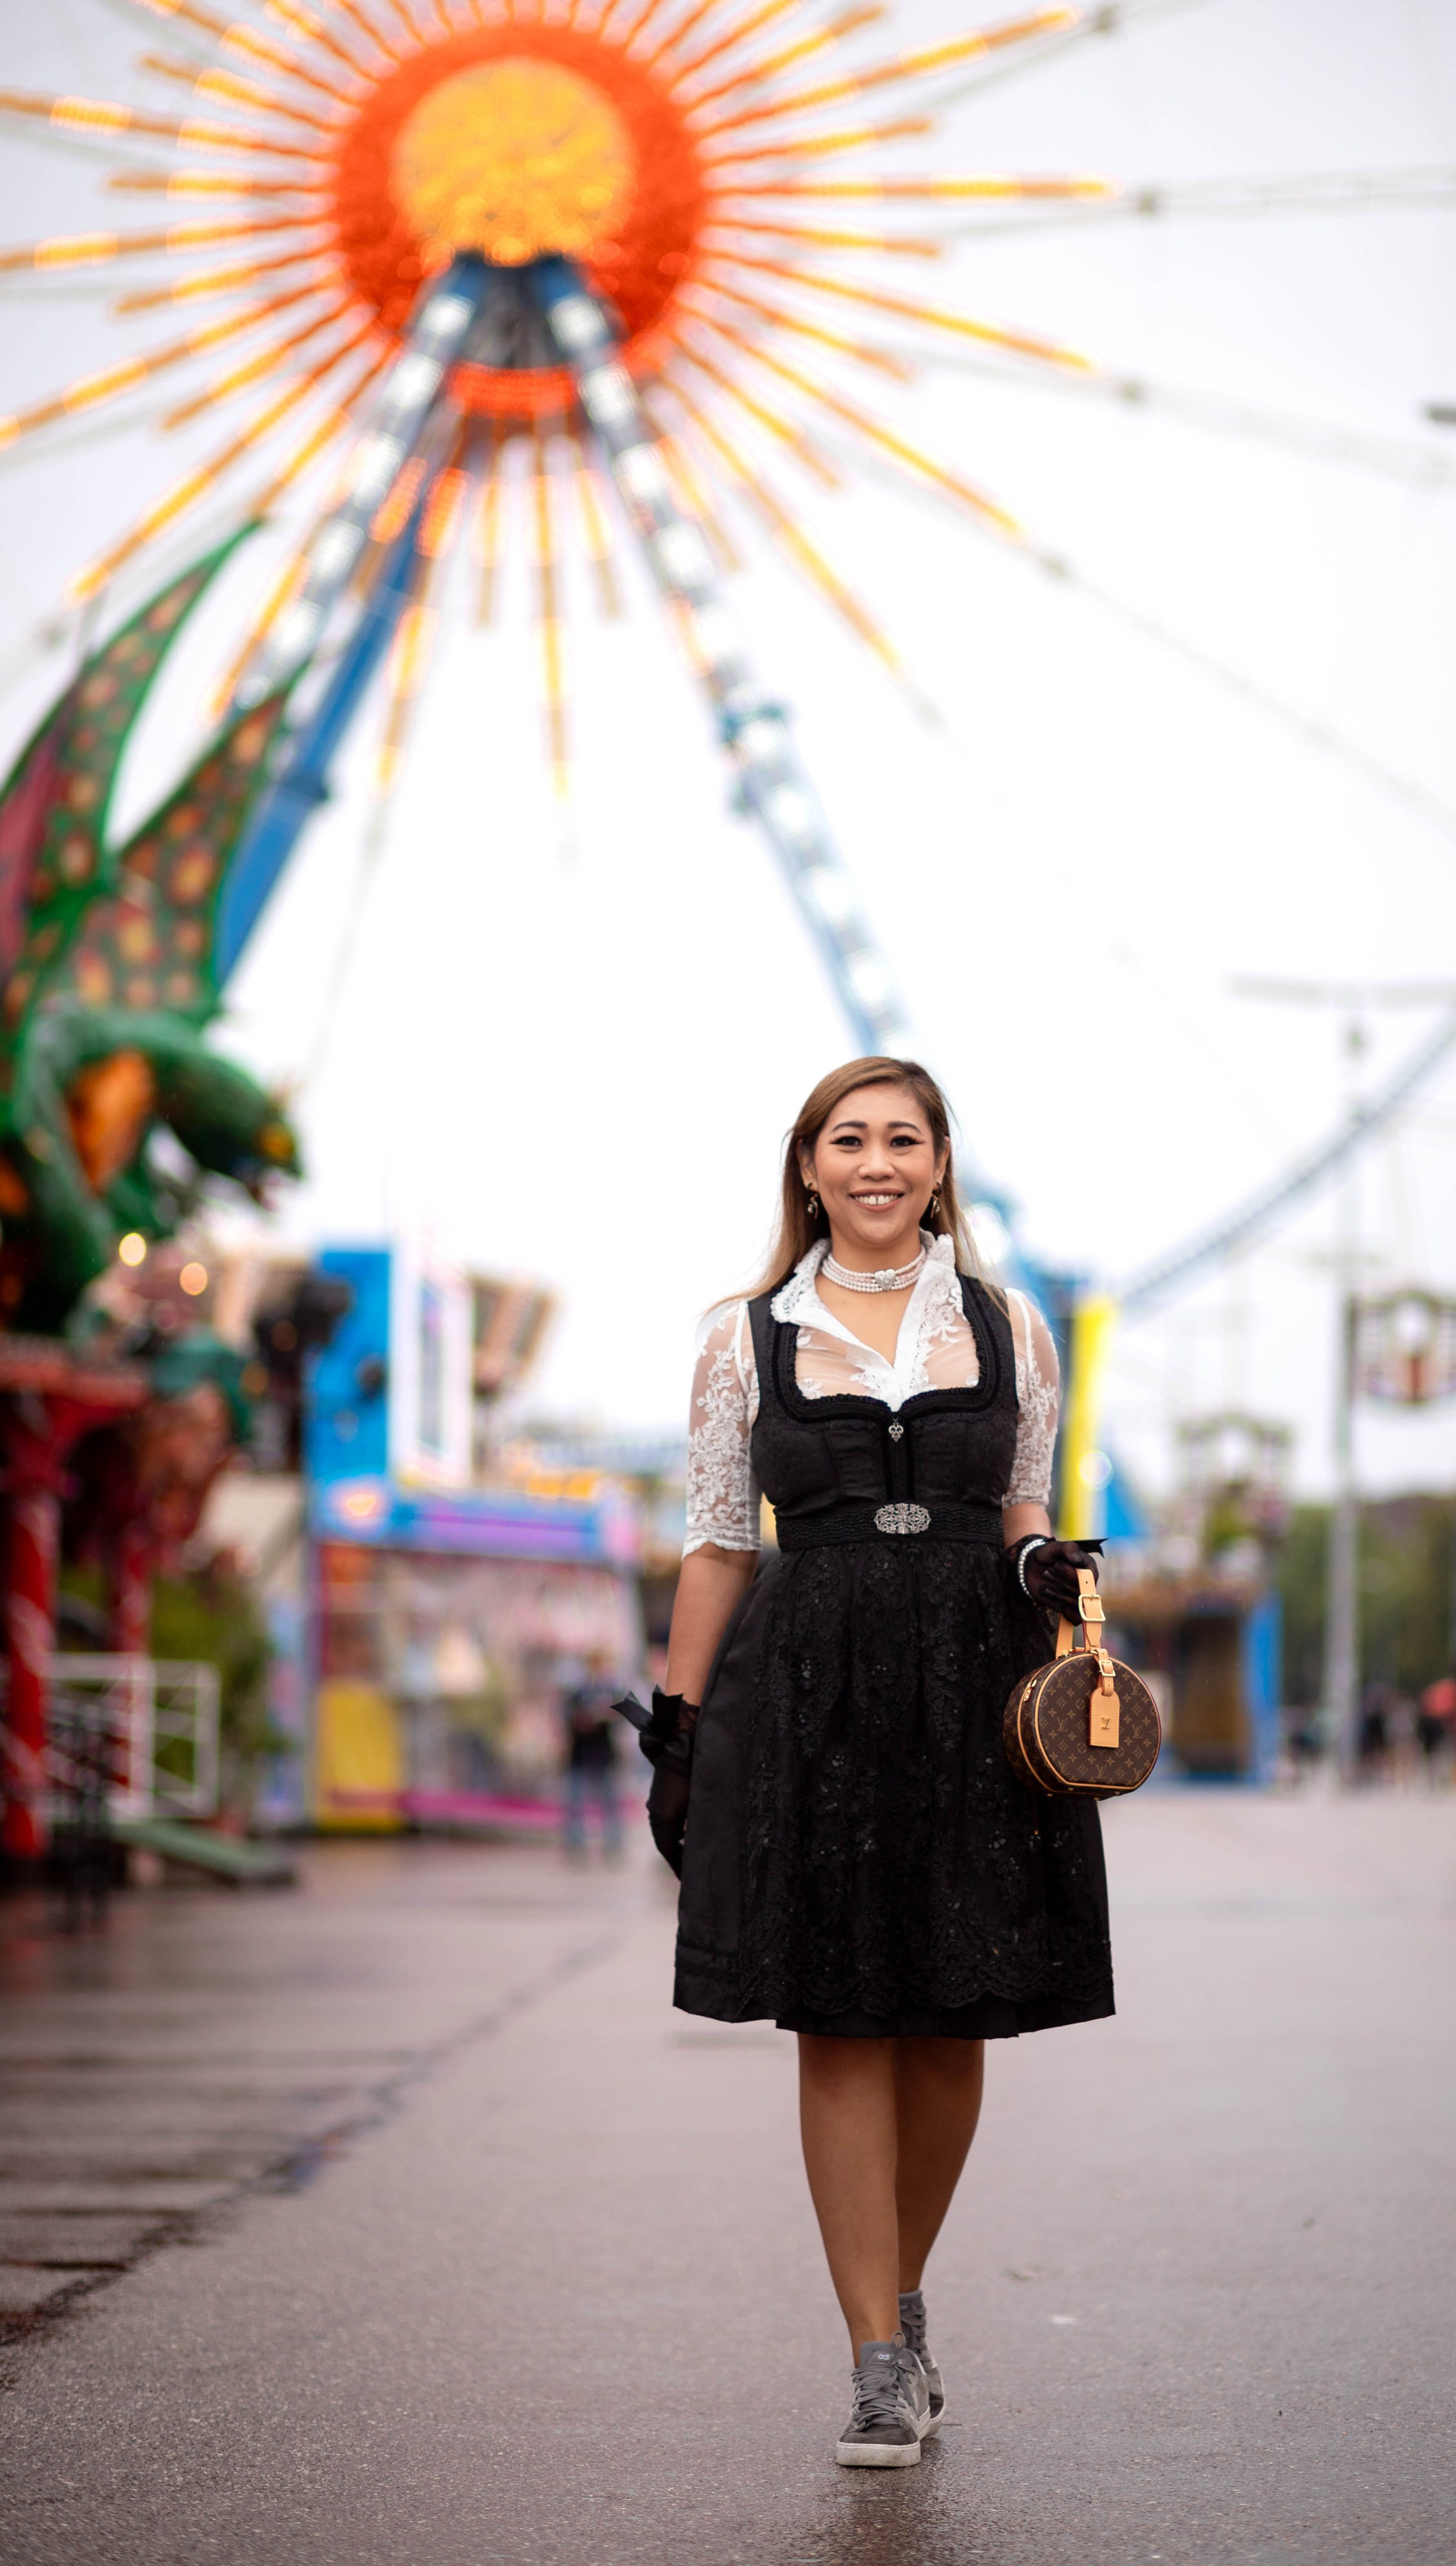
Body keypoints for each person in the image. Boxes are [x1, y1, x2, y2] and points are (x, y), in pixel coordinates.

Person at [626, 1058, 1109, 2471]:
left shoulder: (1013, 1324)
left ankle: (894, 2288)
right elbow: (720, 1543)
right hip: (811, 1682)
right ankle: (877, 2361)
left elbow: (1026, 1502)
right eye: (850, 1139)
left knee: (953, 2013)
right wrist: (679, 1729)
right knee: (837, 2014)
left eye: (904, 1138)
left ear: (940, 1163)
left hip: (979, 1681)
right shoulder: (739, 1338)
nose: (877, 1162)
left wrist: (1044, 1570)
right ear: (809, 1166)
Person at [560, 1657, 623, 1860]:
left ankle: (613, 1842)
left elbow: (619, 1716)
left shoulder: (610, 1692)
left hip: (603, 1754)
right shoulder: (577, 1693)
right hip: (580, 1754)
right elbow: (570, 1720)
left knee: (609, 1801)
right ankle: (575, 1840)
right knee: (576, 1800)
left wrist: (604, 1714)